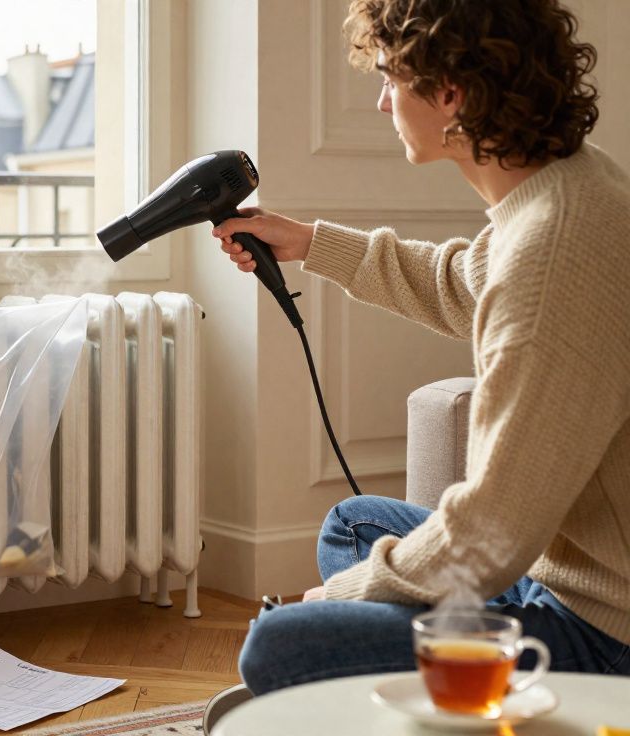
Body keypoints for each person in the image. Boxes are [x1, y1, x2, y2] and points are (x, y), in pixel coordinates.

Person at [215, 0, 630, 697]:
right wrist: (311, 242)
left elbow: (490, 535)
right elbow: (463, 283)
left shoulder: (551, 253)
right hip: (559, 572)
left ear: (450, 93)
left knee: (277, 647)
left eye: (389, 79)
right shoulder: (571, 186)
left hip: (604, 631)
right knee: (354, 524)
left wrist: (343, 596)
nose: (380, 102)